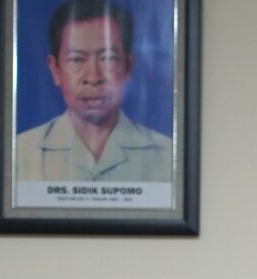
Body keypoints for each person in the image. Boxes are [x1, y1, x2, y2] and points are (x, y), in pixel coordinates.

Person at [11, 0, 175, 186]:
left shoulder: (168, 157)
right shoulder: (19, 155)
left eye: (108, 58)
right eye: (77, 60)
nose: (93, 77)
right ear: (55, 69)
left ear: (129, 66)